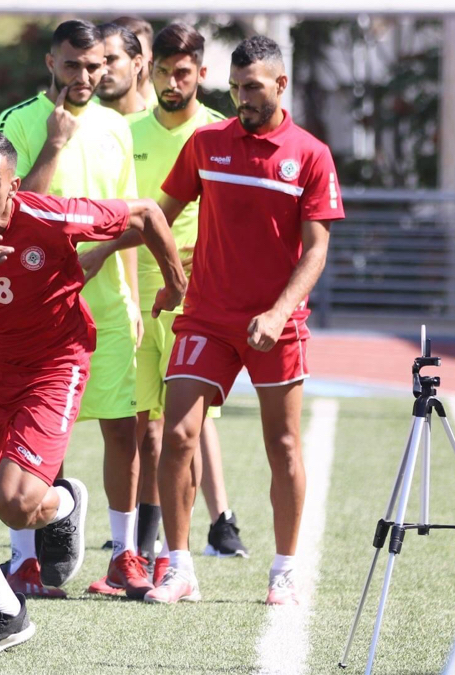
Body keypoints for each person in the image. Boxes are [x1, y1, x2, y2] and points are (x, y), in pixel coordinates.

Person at [0, 130, 187, 655]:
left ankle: (64, 502)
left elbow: (146, 215)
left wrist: (175, 281)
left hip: (53, 365)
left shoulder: (53, 216)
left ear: (13, 186)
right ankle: (4, 612)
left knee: (15, 506)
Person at [144, 35, 344, 606]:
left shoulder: (311, 155)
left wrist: (279, 312)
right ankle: (179, 567)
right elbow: (161, 216)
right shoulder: (206, 144)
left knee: (282, 446)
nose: (241, 99)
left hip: (276, 326)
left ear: (281, 85)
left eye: (252, 87)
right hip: (206, 317)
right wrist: (170, 277)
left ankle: (284, 569)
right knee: (178, 435)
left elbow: (316, 251)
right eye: (233, 88)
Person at [81, 25, 249, 596]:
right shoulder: (126, 131)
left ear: (202, 74)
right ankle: (141, 555)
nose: (172, 83)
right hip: (141, 290)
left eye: (185, 73)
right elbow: (123, 218)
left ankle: (175, 558)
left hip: (201, 298)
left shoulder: (219, 133)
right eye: (164, 72)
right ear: (150, 71)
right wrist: (112, 274)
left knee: (181, 429)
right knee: (138, 427)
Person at [0, 19, 150, 598]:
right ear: (49, 64)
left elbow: (131, 216)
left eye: (95, 66)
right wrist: (55, 143)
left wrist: (126, 291)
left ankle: (125, 554)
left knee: (121, 429)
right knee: (31, 431)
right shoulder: (19, 122)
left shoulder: (115, 127)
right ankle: (26, 557)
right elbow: (10, 208)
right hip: (37, 308)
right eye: (72, 65)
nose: (85, 77)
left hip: (106, 306)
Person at [95, 23, 147, 117]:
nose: (103, 70)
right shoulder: (75, 124)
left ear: (137, 64)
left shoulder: (163, 124)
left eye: (111, 60)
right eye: (96, 63)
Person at [111, 16, 156, 106]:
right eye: (114, 58)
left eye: (135, 55)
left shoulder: (165, 107)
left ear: (152, 58)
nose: (129, 63)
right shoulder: (91, 109)